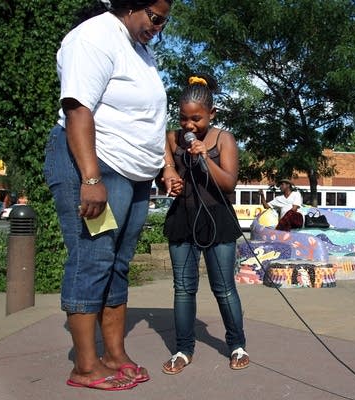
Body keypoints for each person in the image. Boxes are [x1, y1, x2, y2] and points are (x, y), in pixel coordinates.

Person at [43, 0, 177, 391]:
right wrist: (90, 178)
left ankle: (114, 354)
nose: (159, 27)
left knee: (118, 262)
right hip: (97, 167)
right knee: (93, 258)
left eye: (164, 22)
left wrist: (165, 166)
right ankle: (85, 365)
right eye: (155, 18)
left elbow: (153, 119)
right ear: (132, 5)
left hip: (135, 176)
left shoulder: (140, 50)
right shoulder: (94, 36)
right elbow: (78, 108)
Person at [161, 74, 250, 375]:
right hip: (183, 220)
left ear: (212, 114)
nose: (188, 126)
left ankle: (237, 344)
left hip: (218, 220)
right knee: (184, 289)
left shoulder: (224, 139)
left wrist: (204, 157)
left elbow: (228, 184)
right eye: (184, 118)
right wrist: (169, 177)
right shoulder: (172, 138)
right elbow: (166, 169)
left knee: (223, 288)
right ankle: (183, 349)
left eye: (196, 119)